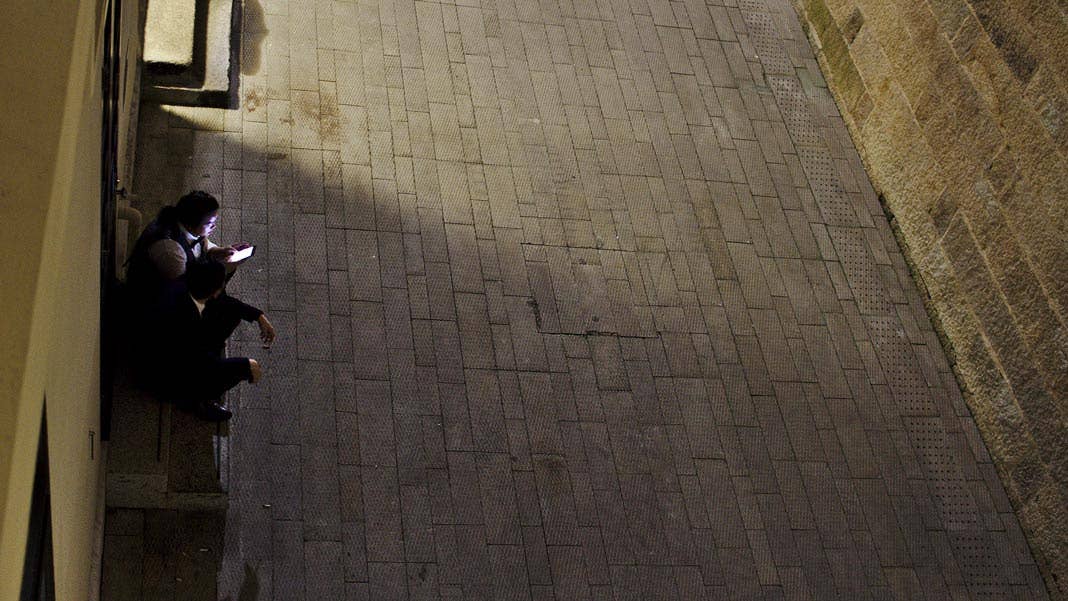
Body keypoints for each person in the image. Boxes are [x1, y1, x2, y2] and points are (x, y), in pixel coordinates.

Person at [136, 261, 276, 421]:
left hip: (180, 352)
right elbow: (196, 362)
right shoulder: (183, 319)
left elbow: (226, 303)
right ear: (213, 292)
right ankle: (197, 401)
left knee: (230, 312)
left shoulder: (186, 286)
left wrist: (258, 316)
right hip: (166, 374)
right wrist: (246, 366)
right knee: (243, 368)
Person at [125, 191, 249, 304]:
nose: (214, 227)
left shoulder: (182, 223)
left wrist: (218, 251)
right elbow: (191, 292)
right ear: (191, 224)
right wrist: (224, 268)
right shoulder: (171, 252)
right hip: (152, 301)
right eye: (209, 223)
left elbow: (202, 245)